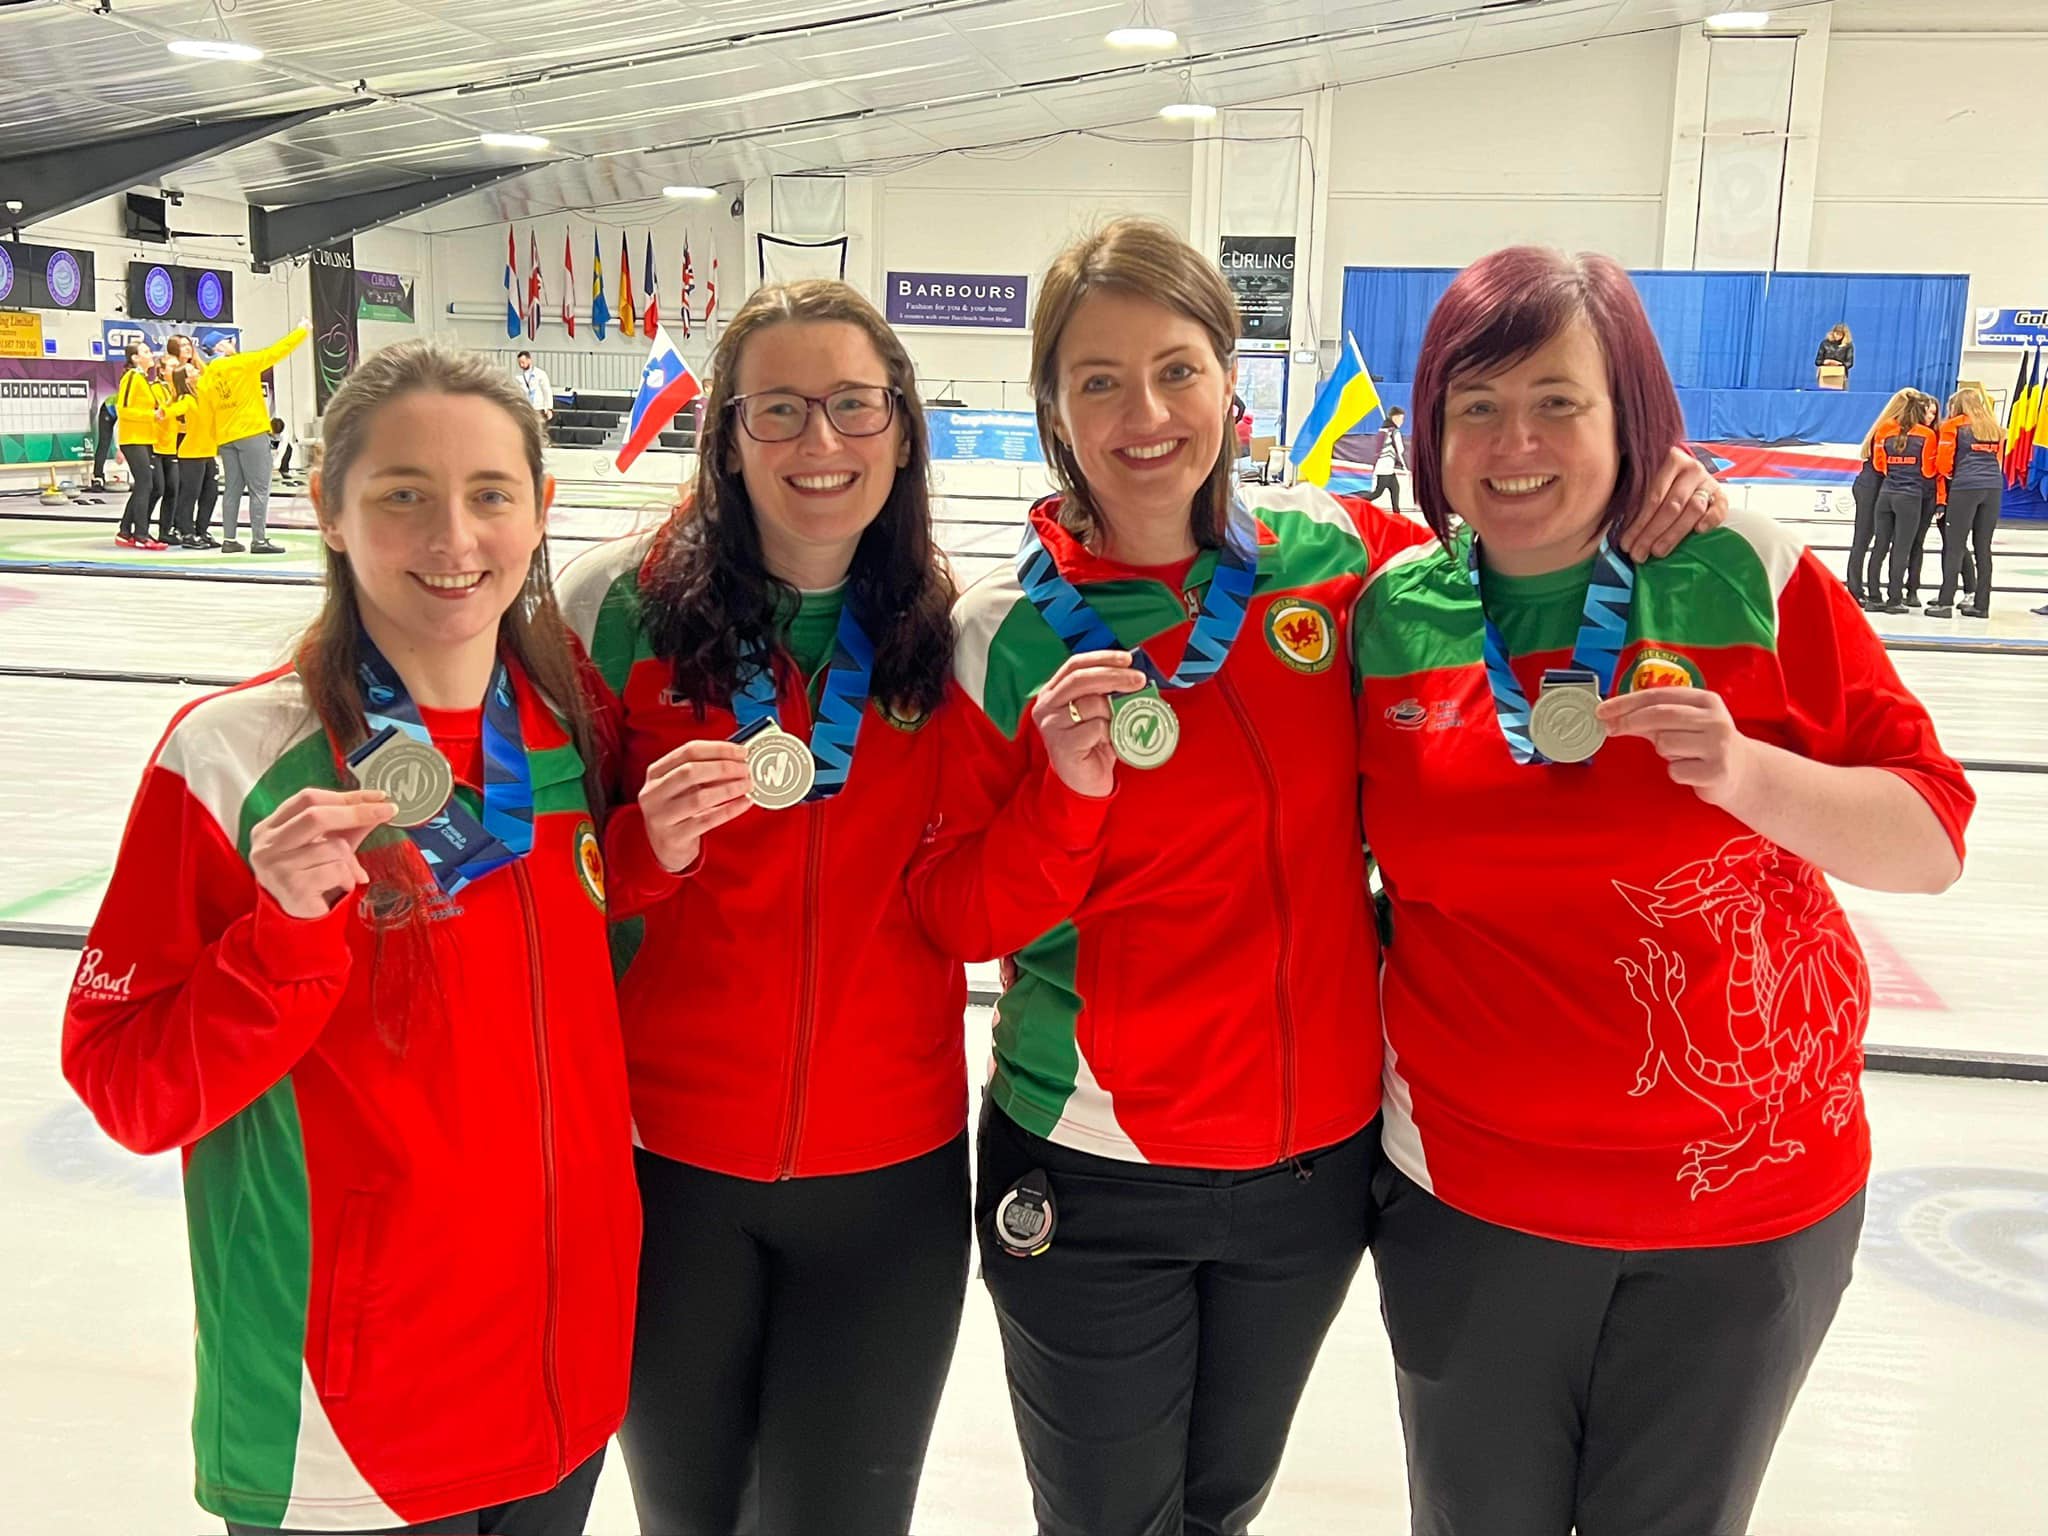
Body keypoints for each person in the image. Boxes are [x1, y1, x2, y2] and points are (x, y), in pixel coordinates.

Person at [908, 217, 1725, 1536]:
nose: (1145, 413)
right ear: (1053, 409)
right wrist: (1066, 796)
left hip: (1312, 1170)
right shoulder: (1001, 635)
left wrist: (1653, 491)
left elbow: (1526, 559)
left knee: (1222, 1504)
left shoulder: (1337, 557)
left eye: (1177, 369)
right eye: (1098, 381)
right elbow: (954, 911)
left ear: (1233, 379)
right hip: (1095, 1161)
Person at [1354, 245, 1973, 1536]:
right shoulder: (1386, 615)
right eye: (1477, 405)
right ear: (1432, 431)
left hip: (1748, 1214)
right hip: (1475, 1210)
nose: (1515, 441)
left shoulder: (1738, 572)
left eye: (1558, 401)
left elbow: (1931, 835)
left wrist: (1750, 776)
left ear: (1628, 413)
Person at [60, 340, 639, 1536]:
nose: (453, 539)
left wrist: (660, 866)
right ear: (326, 506)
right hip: (353, 1427)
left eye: (490, 495)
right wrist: (279, 942)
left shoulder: (564, 727)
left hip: (557, 1391)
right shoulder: (232, 758)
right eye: (402, 497)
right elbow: (129, 1089)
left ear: (539, 513)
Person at [556, 280, 967, 1536]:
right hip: (666, 1167)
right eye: (778, 410)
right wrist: (643, 849)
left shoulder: (952, 632)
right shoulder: (608, 607)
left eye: (852, 405)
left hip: (887, 1183)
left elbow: (984, 892)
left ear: (901, 427)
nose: (819, 444)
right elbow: (539, 887)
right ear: (725, 435)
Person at [204, 323, 310, 554]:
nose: (234, 344)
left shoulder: (208, 375)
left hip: (226, 437)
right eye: (229, 341)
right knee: (259, 489)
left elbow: (208, 409)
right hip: (250, 432)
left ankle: (229, 539)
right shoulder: (244, 363)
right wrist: (302, 331)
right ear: (220, 346)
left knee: (232, 489)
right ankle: (259, 540)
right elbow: (277, 351)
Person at [1929, 384, 2003, 617]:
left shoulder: (1952, 426)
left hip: (1965, 486)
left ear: (1957, 406)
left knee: (1955, 544)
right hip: (1993, 487)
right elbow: (1998, 459)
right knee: (1983, 548)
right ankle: (1982, 605)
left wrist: (1955, 476)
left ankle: (1945, 602)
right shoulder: (1995, 429)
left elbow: (1943, 464)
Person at [1841, 389, 1917, 605]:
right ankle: (1855, 589)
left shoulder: (1889, 427)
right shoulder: (1887, 429)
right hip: (1871, 485)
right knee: (1863, 538)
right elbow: (1881, 465)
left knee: (1876, 539)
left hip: (1879, 485)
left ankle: (1869, 587)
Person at [1870, 393, 1939, 613]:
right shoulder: (1927, 435)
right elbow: (1929, 471)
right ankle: (1894, 599)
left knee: (1879, 545)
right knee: (1901, 548)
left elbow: (1880, 466)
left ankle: (1873, 596)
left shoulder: (1887, 432)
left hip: (1886, 494)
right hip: (1909, 497)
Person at [113, 341, 166, 550]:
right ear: (135, 358)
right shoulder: (132, 377)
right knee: (145, 484)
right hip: (133, 439)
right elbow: (123, 410)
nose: (151, 354)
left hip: (146, 439)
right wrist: (150, 415)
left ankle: (126, 530)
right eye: (145, 351)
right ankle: (141, 534)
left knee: (154, 485)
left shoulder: (144, 380)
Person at [172, 360, 221, 549]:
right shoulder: (187, 399)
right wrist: (162, 413)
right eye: (191, 370)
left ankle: (202, 530)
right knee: (190, 495)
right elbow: (176, 409)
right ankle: (187, 532)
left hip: (208, 452)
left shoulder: (203, 394)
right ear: (185, 379)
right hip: (191, 453)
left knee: (211, 494)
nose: (196, 371)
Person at [1367, 405, 1409, 512]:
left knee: (1395, 489)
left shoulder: (1383, 429)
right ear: (1395, 418)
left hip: (1387, 467)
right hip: (1385, 467)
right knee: (1377, 493)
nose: (1402, 421)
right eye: (1401, 418)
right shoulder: (1394, 431)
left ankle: (1397, 514)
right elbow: (1400, 449)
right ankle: (1355, 503)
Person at [515, 350, 554, 421]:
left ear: (529, 360)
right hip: (527, 408)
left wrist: (549, 408)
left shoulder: (540, 373)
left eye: (523, 362)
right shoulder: (518, 376)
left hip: (539, 407)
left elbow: (546, 391)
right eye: (519, 363)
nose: (521, 365)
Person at [1815, 322, 1854, 387]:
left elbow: (1850, 363)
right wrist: (1825, 362)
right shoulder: (1825, 343)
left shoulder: (1848, 346)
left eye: (1840, 334)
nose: (1837, 336)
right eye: (1836, 333)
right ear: (1833, 332)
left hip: (1841, 375)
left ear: (1844, 335)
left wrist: (1839, 363)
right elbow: (1817, 361)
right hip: (1825, 373)